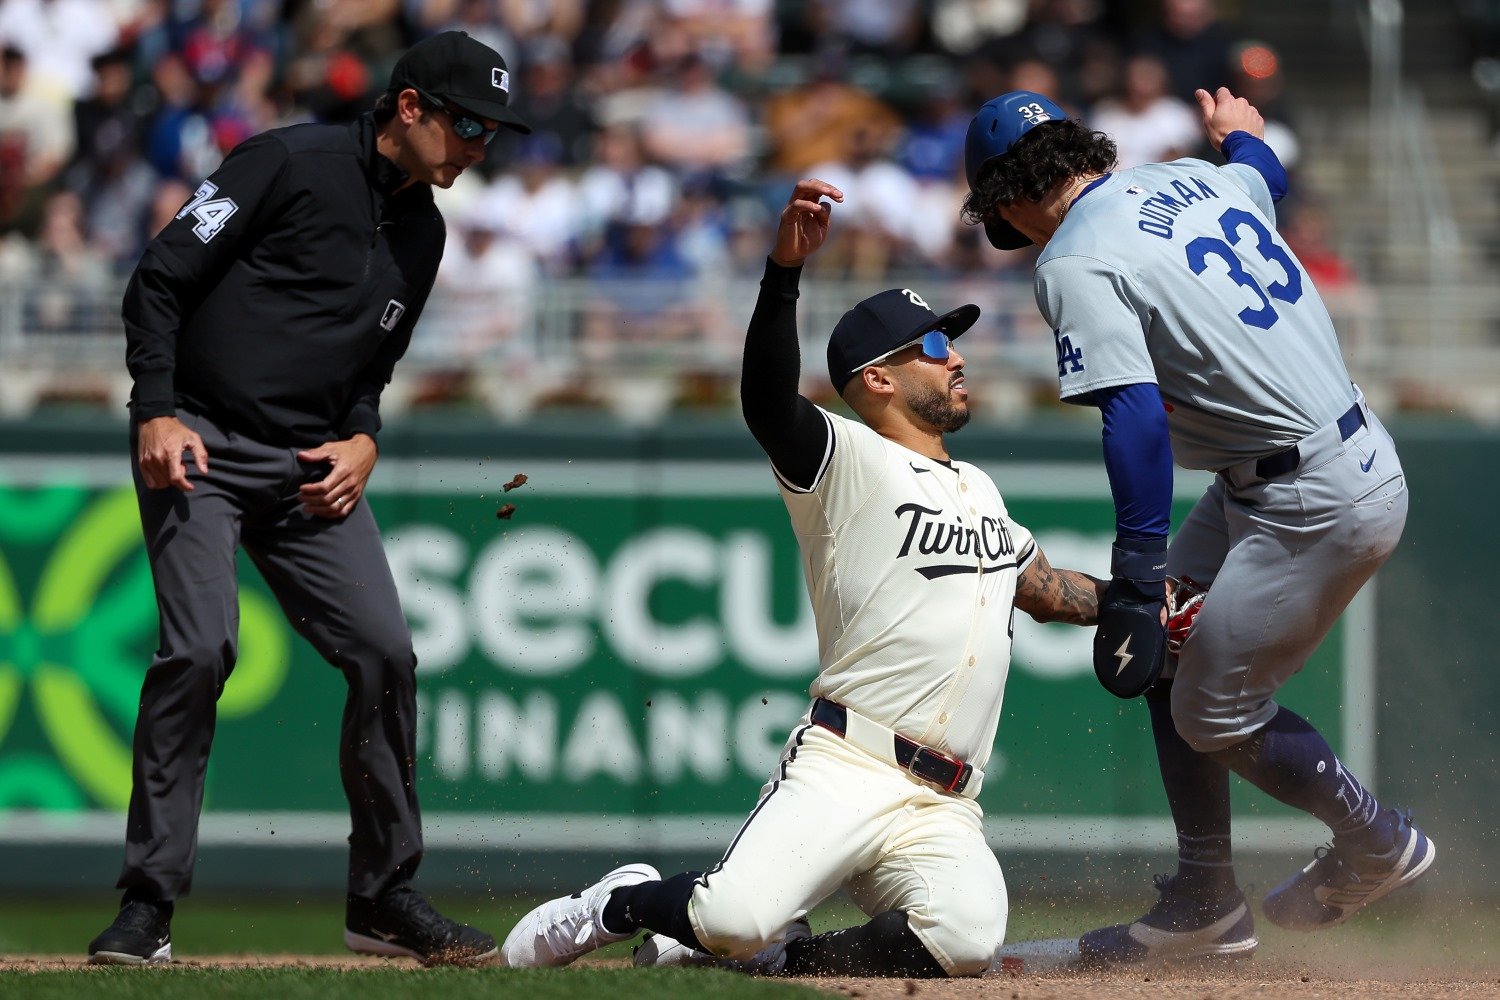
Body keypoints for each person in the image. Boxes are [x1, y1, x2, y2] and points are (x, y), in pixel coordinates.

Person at [499, 178, 1112, 979]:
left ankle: (784, 960)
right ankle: (622, 902)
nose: (956, 357)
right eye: (934, 346)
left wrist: (1148, 600)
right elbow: (766, 401)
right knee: (730, 917)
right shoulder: (847, 459)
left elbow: (1049, 591)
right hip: (847, 765)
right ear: (879, 379)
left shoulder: (981, 490)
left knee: (964, 942)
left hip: (944, 803)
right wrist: (783, 273)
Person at [959, 88, 1433, 966]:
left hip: (1309, 496)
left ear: (1011, 198)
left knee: (1213, 712)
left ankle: (1375, 840)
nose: (1009, 232)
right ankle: (1206, 900)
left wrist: (1139, 570)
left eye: (1000, 217)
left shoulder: (1073, 259)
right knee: (1172, 660)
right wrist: (1242, 139)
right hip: (1314, 462)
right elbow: (1263, 175)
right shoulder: (1191, 178)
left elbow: (1135, 415)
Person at [87, 30, 531, 967]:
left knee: (384, 653)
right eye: (468, 125)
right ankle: (148, 904)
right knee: (199, 649)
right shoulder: (285, 161)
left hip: (308, 468)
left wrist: (365, 436)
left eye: (492, 133)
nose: (479, 147)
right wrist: (156, 410)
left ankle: (383, 898)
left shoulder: (425, 232)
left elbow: (373, 365)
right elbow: (159, 278)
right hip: (198, 441)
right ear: (409, 106)